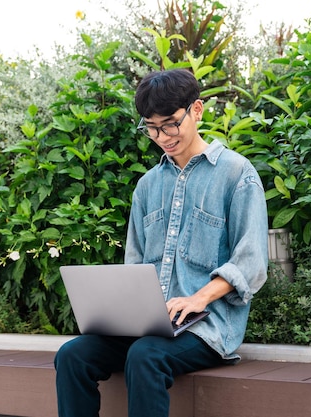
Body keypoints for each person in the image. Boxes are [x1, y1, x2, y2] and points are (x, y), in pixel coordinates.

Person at [54, 69, 269, 417]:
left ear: (196, 110)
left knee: (146, 355)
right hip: (149, 327)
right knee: (72, 355)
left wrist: (197, 298)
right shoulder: (147, 186)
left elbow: (252, 262)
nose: (162, 136)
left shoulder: (236, 174)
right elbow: (134, 265)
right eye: (151, 127)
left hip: (207, 328)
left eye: (170, 123)